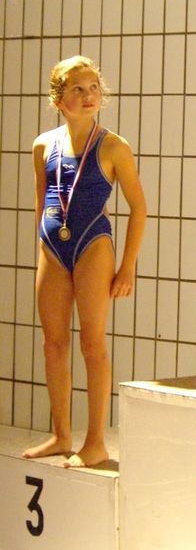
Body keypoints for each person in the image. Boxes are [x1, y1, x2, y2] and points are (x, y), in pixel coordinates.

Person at [23, 56, 146, 468]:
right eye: (78, 89)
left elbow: (139, 208)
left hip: (94, 244)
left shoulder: (113, 146)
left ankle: (95, 442)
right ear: (59, 99)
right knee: (53, 343)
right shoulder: (43, 145)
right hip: (52, 246)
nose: (89, 95)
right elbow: (42, 202)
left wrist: (127, 266)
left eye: (94, 87)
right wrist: (44, 248)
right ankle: (61, 434)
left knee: (92, 342)